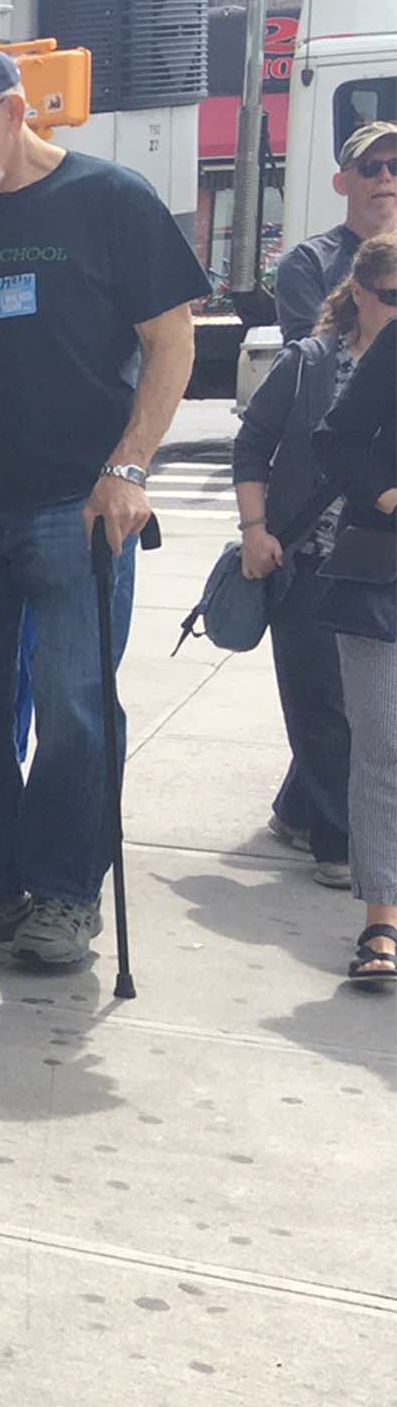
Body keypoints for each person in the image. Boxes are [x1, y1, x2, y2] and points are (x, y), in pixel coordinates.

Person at [0, 43, 210, 968]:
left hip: (77, 502)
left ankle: (66, 896)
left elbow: (171, 341)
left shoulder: (111, 198)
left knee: (73, 703)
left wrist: (132, 467)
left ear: (15, 110)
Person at [237, 234, 396, 894]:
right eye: (391, 295)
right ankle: (340, 842)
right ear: (357, 291)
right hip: (307, 557)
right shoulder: (308, 364)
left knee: (362, 712)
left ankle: (300, 808)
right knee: (322, 707)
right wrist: (254, 530)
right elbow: (252, 448)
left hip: (377, 565)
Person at [312, 285, 397, 981]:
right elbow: (334, 441)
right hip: (384, 574)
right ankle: (381, 924)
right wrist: (388, 492)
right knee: (383, 742)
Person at [274, 122, 397, 343]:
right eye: (370, 167)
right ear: (341, 183)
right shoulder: (306, 262)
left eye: (396, 166)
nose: (385, 176)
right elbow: (313, 359)